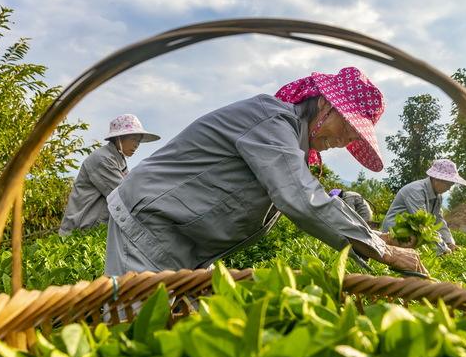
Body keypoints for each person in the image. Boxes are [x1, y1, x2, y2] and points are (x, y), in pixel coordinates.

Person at [105, 67, 425, 276]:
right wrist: (383, 251)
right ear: (326, 107)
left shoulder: (288, 141)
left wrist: (375, 236)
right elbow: (301, 198)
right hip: (149, 228)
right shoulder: (272, 121)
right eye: (350, 129)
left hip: (178, 242)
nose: (346, 141)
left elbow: (314, 198)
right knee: (133, 330)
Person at [58, 114, 160, 236]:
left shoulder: (118, 159)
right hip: (79, 232)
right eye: (133, 139)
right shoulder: (103, 159)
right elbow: (124, 195)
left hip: (94, 231)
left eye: (138, 141)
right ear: (119, 138)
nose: (137, 145)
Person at [381, 159, 466, 255]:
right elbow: (423, 225)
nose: (449, 188)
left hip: (410, 237)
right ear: (436, 179)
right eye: (448, 184)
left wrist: (450, 243)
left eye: (452, 184)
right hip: (394, 235)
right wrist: (443, 249)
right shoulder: (416, 191)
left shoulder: (438, 196)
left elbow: (439, 221)